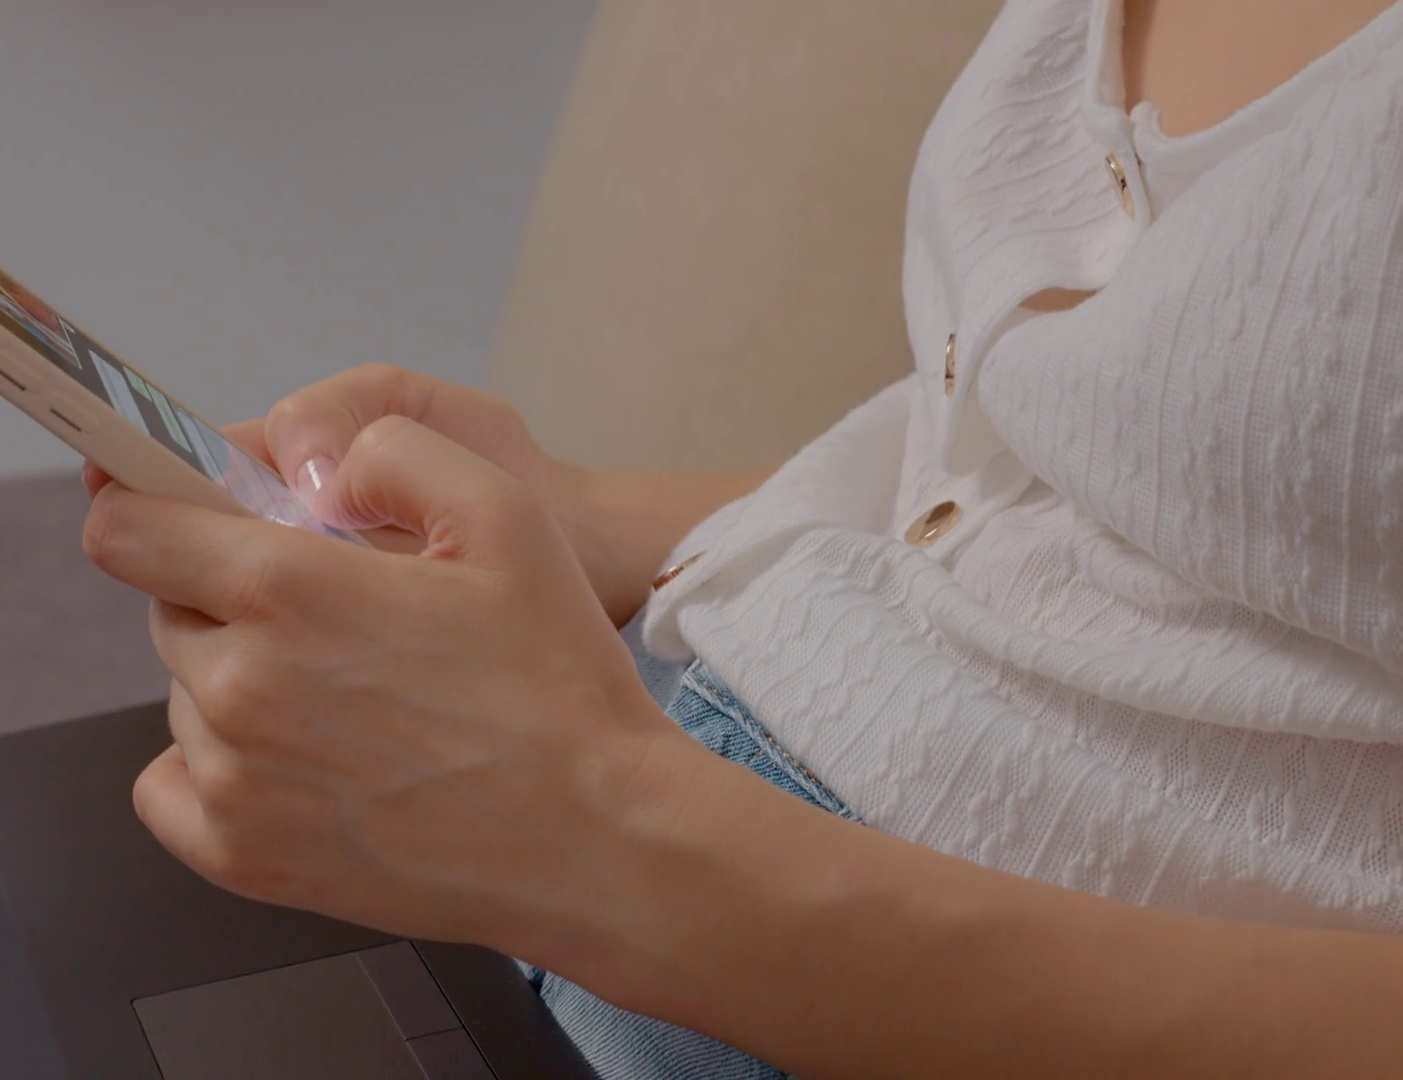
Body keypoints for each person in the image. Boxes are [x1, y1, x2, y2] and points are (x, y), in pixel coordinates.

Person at [79, 0, 1403, 1075]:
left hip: (805, 970)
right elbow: (1074, 477)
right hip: (628, 806)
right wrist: (590, 520)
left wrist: (608, 840)